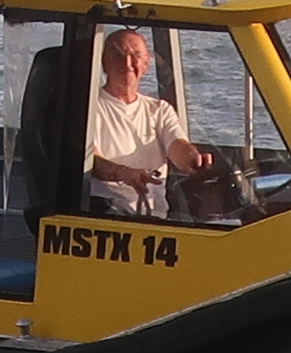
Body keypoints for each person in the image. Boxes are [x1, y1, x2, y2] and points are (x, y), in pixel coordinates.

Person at [80, 25, 226, 220]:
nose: (128, 62)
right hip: (105, 215)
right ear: (104, 63)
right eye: (118, 55)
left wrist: (192, 159)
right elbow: (90, 160)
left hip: (154, 218)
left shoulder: (159, 110)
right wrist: (125, 174)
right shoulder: (89, 107)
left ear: (146, 64)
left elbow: (177, 145)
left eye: (136, 56)